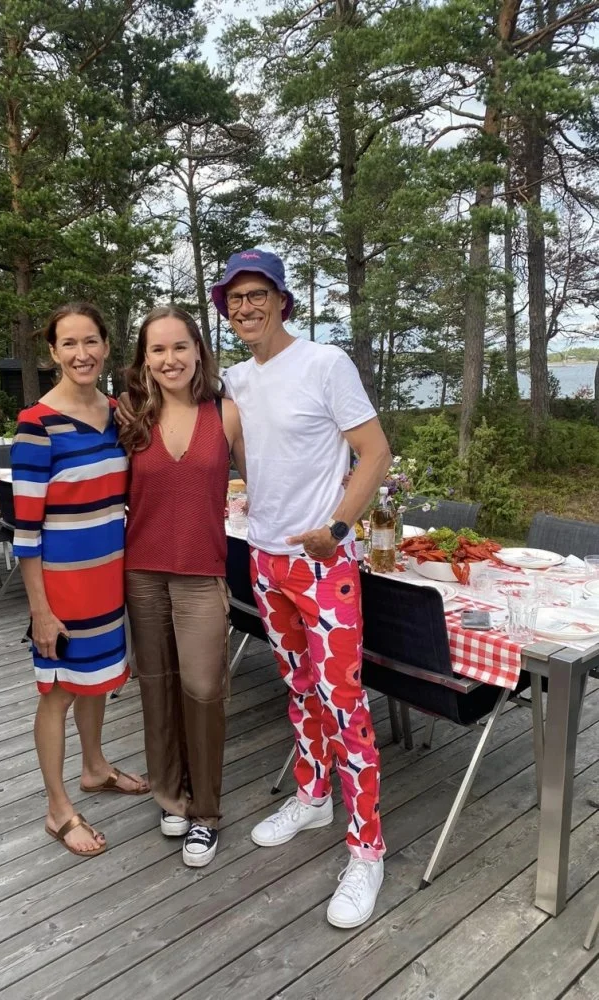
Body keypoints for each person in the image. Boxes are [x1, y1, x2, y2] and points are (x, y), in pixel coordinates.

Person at [210, 249, 392, 928]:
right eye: (235, 298)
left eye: (258, 294)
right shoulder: (237, 379)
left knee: (345, 704)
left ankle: (367, 850)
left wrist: (338, 526)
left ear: (282, 300)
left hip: (323, 566)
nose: (246, 307)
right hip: (265, 560)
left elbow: (376, 452)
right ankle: (313, 796)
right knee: (300, 688)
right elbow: (213, 450)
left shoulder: (325, 363)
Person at [12, 301, 149, 859]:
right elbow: (25, 532)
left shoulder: (116, 413)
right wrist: (41, 611)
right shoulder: (37, 425)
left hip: (108, 583)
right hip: (63, 591)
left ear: (106, 347)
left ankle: (95, 767)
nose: (81, 353)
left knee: (98, 680)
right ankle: (57, 808)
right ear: (53, 352)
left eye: (90, 341)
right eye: (68, 343)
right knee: (59, 692)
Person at [119, 305, 245, 867]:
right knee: (157, 686)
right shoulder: (130, 416)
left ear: (198, 351)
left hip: (201, 574)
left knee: (203, 689)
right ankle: (171, 796)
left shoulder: (226, 413)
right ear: (144, 359)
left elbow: (266, 481)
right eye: (158, 349)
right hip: (142, 572)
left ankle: (205, 812)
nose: (169, 359)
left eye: (179, 346)